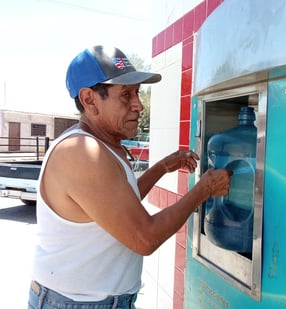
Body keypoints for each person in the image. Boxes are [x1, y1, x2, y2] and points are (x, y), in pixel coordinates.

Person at [28, 45, 232, 309]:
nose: (139, 105)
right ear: (89, 99)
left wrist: (160, 168)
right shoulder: (81, 152)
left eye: (137, 93)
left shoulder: (101, 145)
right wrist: (203, 190)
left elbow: (114, 206)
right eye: (126, 95)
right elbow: (144, 238)